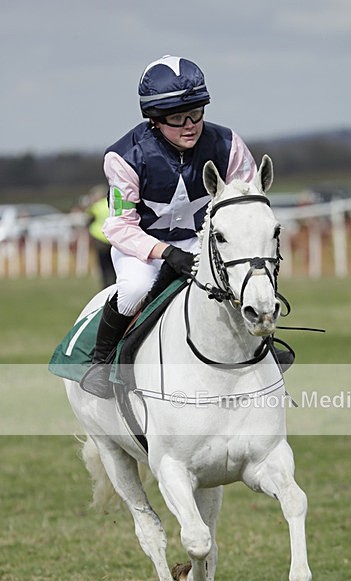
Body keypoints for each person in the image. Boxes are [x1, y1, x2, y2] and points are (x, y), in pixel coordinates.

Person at [81, 55, 257, 398]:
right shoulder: (124, 157)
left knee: (247, 282)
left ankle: (263, 351)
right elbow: (119, 226)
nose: (190, 125)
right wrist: (165, 252)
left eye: (196, 113)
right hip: (143, 249)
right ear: (155, 119)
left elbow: (247, 200)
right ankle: (101, 361)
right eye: (177, 118)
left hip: (204, 243)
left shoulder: (229, 145)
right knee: (134, 289)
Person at [85, 186, 115, 288]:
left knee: (104, 267)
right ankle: (115, 286)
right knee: (114, 266)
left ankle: (105, 287)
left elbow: (89, 219)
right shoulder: (112, 204)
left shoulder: (96, 206)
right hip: (113, 240)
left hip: (100, 240)